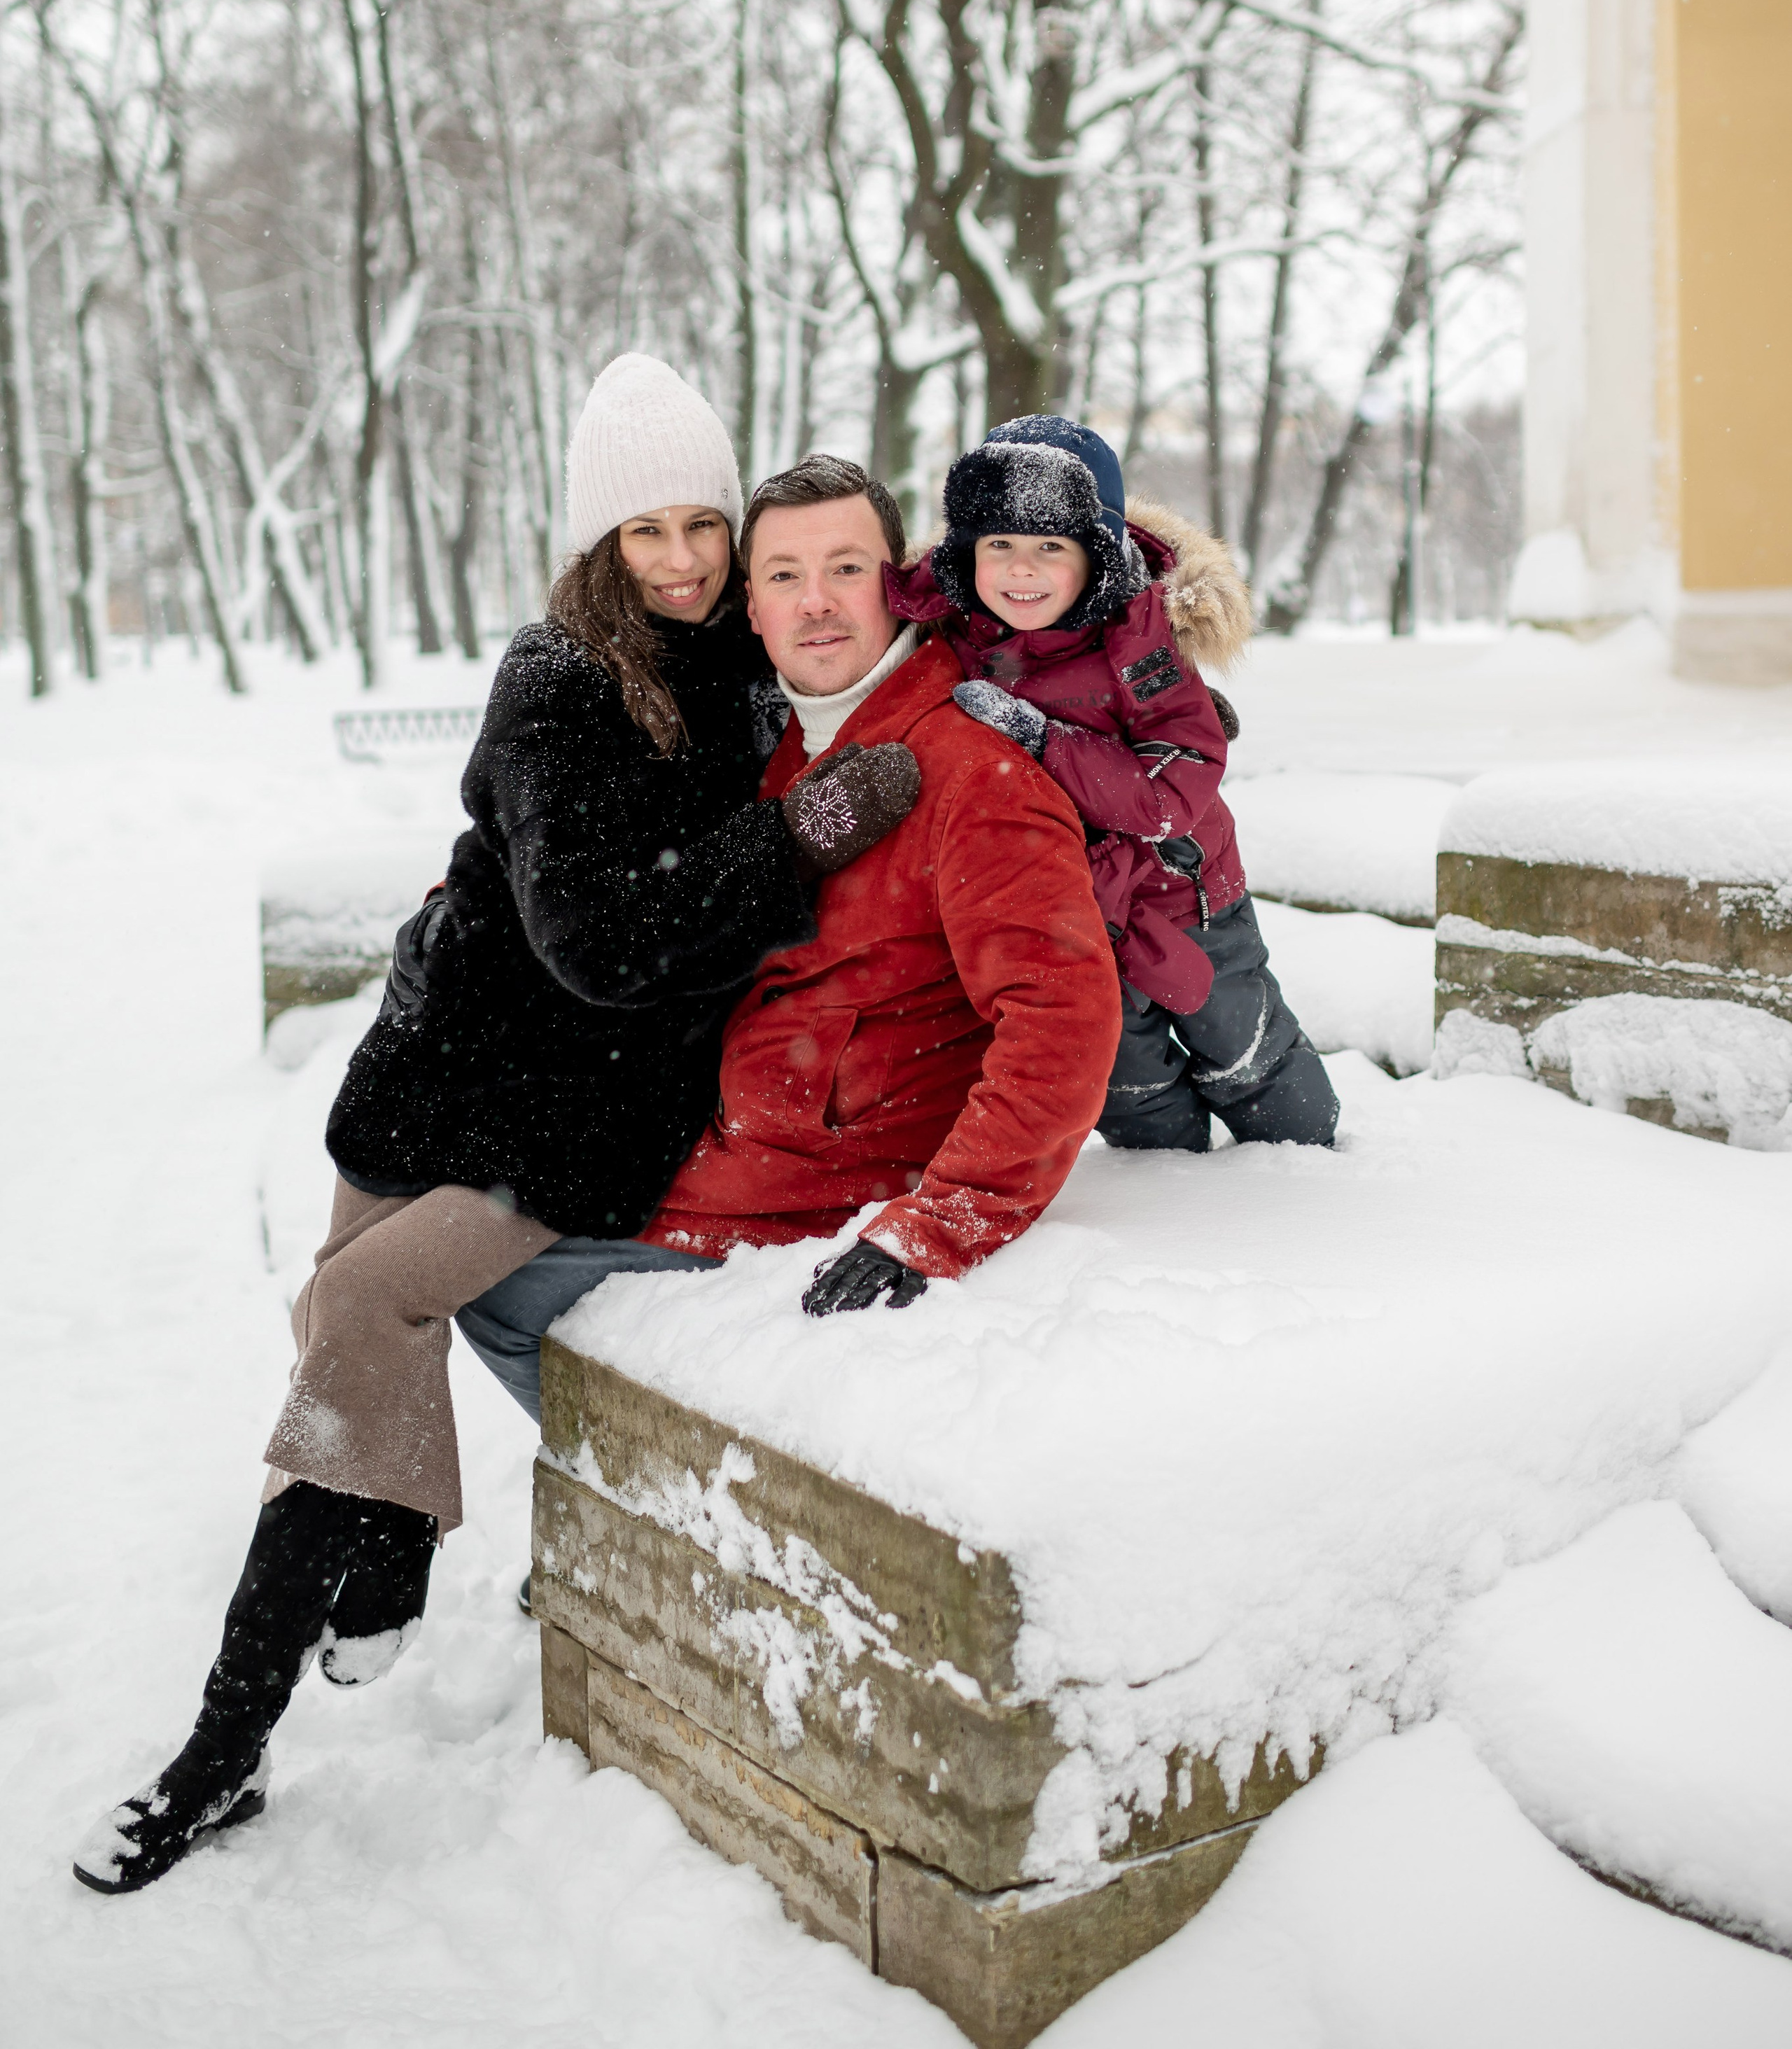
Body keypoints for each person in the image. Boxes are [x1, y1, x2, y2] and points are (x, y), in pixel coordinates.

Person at [74, 360, 916, 1897]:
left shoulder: (745, 659)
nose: (682, 558)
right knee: (335, 1346)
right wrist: (785, 840)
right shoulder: (557, 675)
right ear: (596, 543)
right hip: (434, 1071)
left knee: (351, 1307)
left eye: (702, 524)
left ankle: (218, 1746)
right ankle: (372, 1567)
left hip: (571, 1118)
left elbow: (863, 641)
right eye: (645, 530)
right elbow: (594, 931)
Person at [448, 450, 1121, 1390]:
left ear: (903, 588)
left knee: (494, 1290)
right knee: (433, 1249)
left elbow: (1065, 1022)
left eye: (846, 569)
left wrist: (939, 1224)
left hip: (816, 1203)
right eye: (783, 576)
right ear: (750, 607)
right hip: (718, 1163)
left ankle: (680, 1520)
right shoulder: (775, 752)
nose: (816, 603)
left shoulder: (972, 774)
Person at [891, 413, 1339, 1157]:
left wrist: (1044, 741)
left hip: (1185, 896)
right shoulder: (956, 634)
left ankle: (1303, 1157)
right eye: (998, 545)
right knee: (1122, 1074)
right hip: (1075, 912)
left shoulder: (1141, 634)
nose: (1020, 570)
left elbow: (1168, 794)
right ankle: (1161, 1187)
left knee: (1243, 1048)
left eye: (1048, 548)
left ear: (1094, 556)